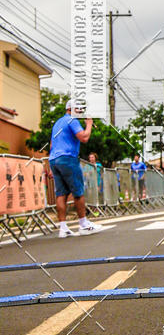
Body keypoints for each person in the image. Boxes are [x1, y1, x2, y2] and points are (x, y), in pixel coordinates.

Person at [49, 99, 101, 237]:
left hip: (54, 159)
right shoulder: (72, 120)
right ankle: (83, 224)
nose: (80, 112)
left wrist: (50, 165)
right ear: (72, 109)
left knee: (61, 194)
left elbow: (51, 144)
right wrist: (89, 125)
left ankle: (63, 228)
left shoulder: (57, 123)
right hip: (68, 158)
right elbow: (83, 137)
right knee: (78, 191)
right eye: (78, 109)